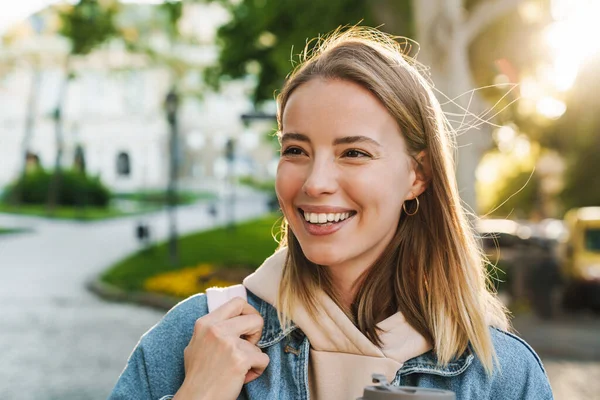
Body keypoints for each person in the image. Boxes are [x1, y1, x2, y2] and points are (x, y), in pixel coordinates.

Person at [109, 27, 553, 400]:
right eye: (295, 150)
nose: (315, 182)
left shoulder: (503, 377)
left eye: (354, 152)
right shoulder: (197, 335)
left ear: (417, 175)